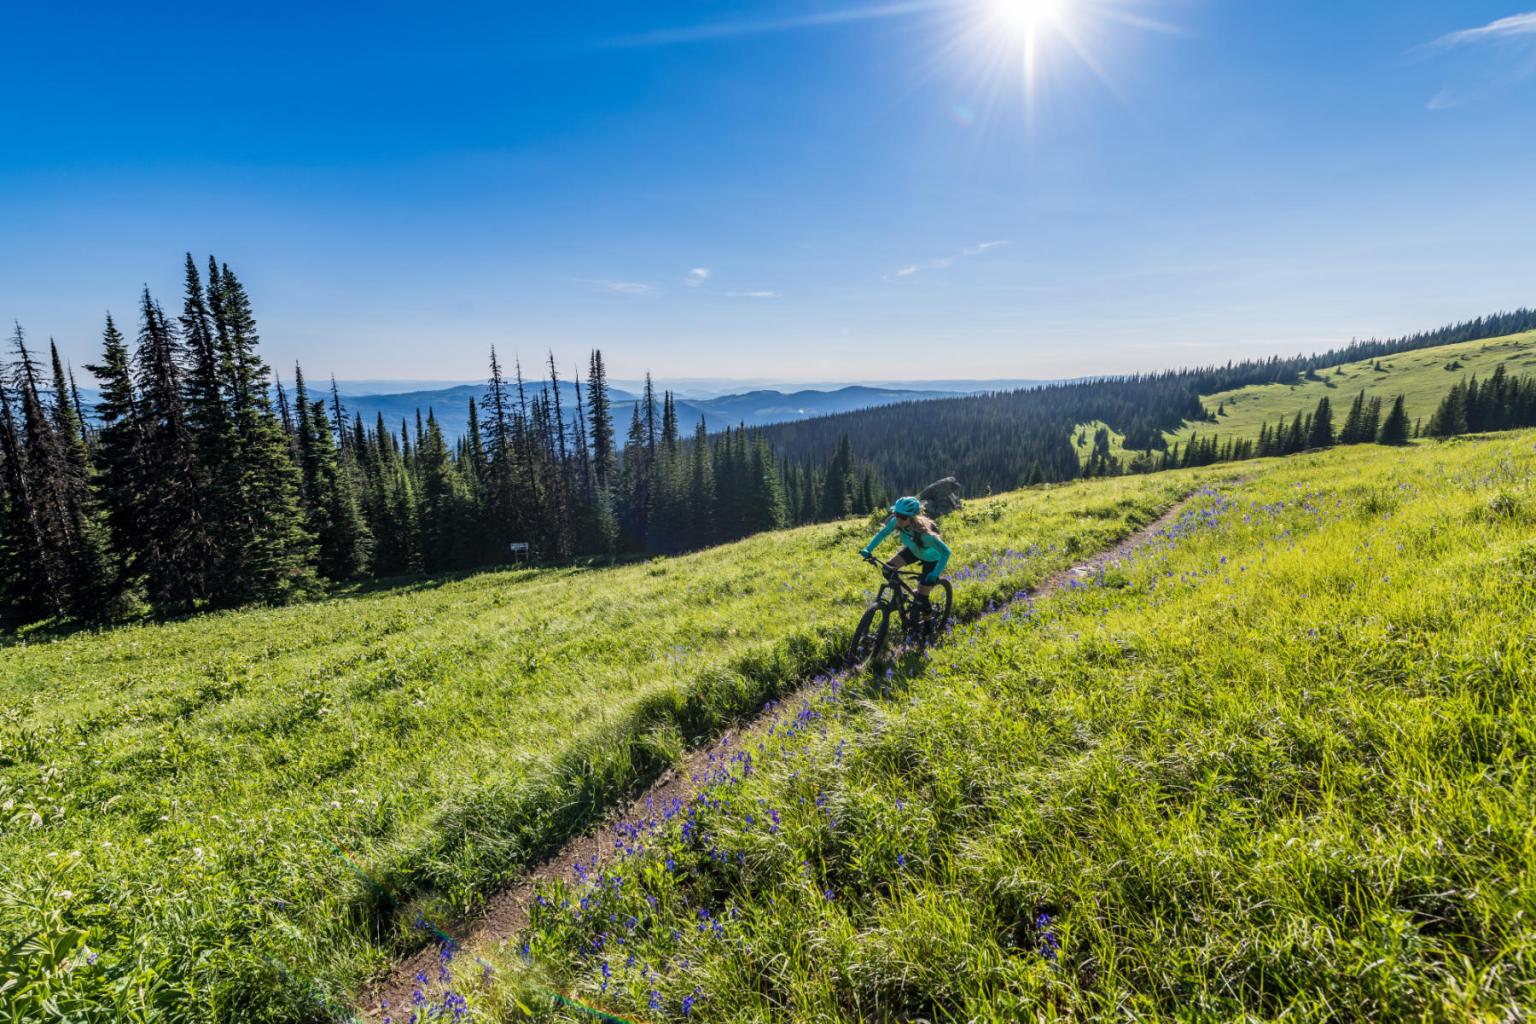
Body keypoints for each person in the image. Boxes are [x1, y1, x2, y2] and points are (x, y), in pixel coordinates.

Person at [860, 496, 951, 603]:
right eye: (896, 514)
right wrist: (868, 548)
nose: (898, 519)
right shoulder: (896, 522)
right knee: (887, 570)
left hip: (931, 559)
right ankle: (901, 597)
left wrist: (935, 573)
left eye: (903, 516)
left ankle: (928, 618)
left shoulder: (925, 535)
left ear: (912, 517)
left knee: (922, 599)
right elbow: (882, 534)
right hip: (913, 551)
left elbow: (946, 552)